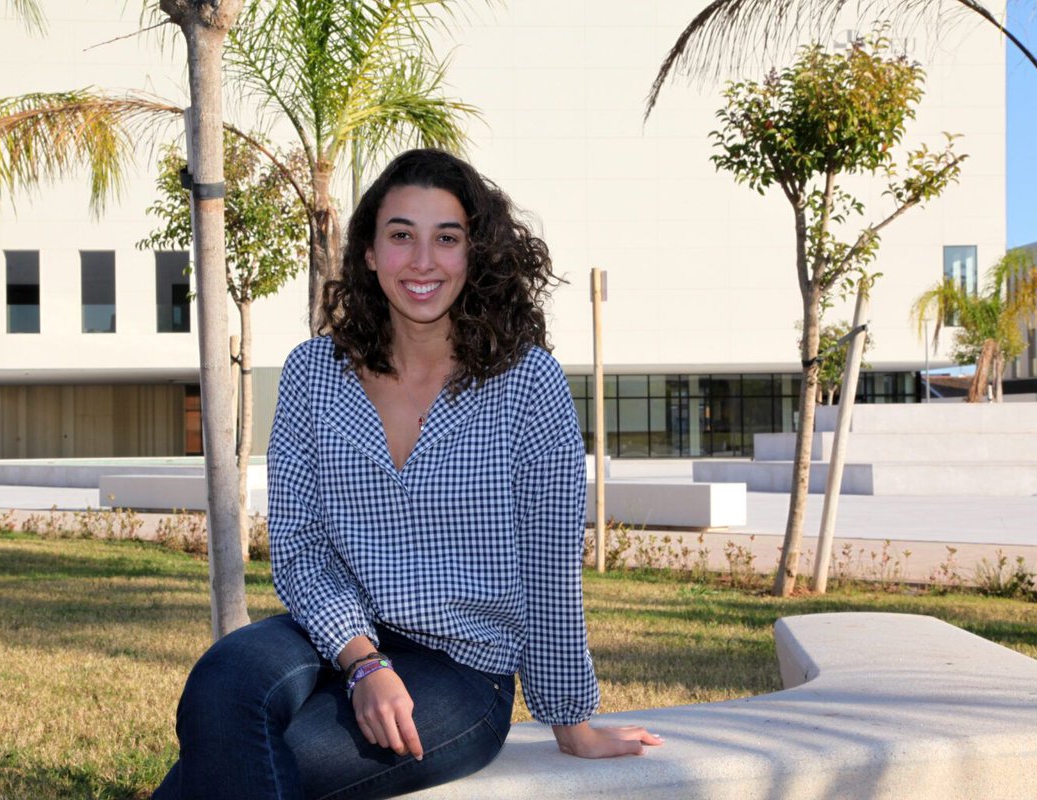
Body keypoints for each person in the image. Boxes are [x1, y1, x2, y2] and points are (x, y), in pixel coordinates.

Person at [153, 148, 662, 800]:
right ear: (368, 251)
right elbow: (302, 548)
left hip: (460, 669)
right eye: (401, 236)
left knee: (257, 765)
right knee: (221, 682)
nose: (422, 261)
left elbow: (550, 567)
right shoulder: (314, 374)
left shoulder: (528, 384)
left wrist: (571, 719)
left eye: (446, 238)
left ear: (473, 254)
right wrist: (363, 661)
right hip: (329, 636)